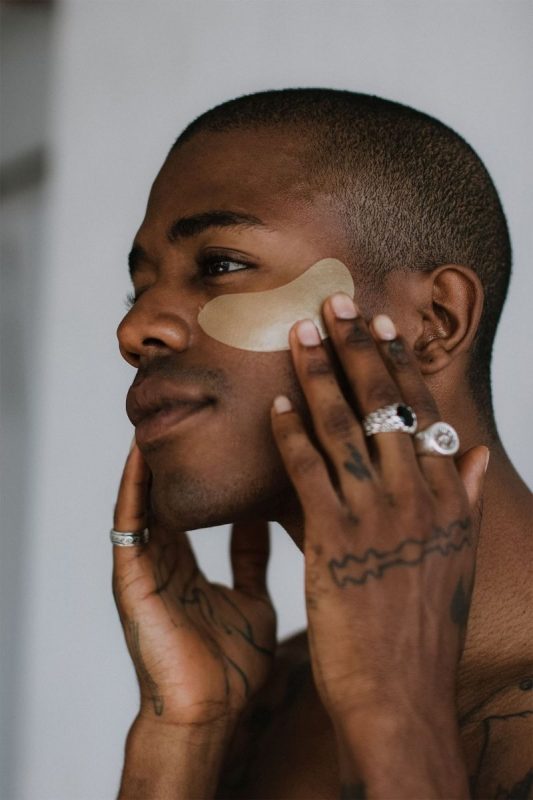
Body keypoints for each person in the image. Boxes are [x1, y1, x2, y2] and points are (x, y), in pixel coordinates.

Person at [110, 89, 532, 799]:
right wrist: (180, 738)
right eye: (137, 290)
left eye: (219, 264)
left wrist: (391, 706)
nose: (137, 330)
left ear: (433, 321)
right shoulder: (261, 702)